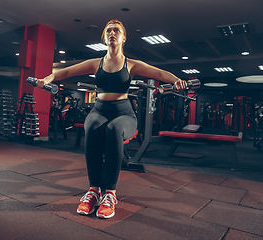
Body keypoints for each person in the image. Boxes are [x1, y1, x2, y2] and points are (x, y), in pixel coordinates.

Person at [37, 19, 187, 219]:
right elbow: (65, 71)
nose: (112, 33)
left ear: (124, 38)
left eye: (117, 30)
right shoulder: (95, 63)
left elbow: (158, 72)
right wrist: (47, 79)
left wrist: (176, 80)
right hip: (99, 110)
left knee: (114, 129)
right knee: (90, 125)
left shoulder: (131, 64)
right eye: (109, 30)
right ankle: (94, 190)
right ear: (104, 37)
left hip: (124, 113)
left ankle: (110, 193)